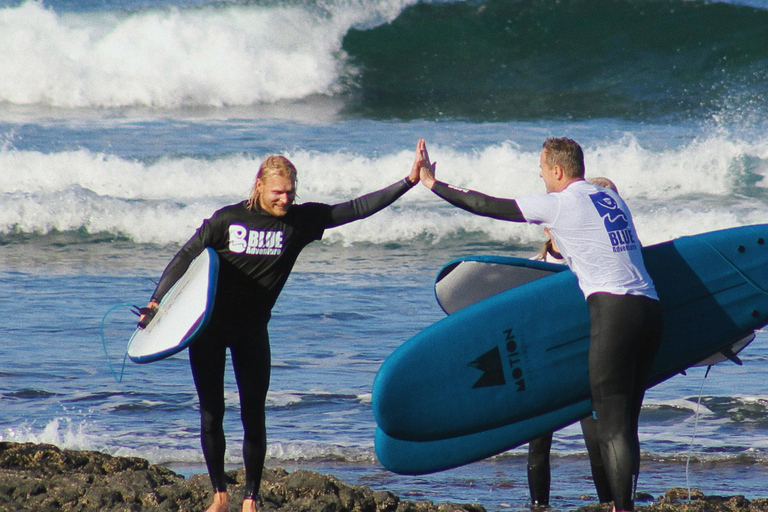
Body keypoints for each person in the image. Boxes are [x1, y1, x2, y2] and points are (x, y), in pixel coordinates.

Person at [139, 154, 421, 512]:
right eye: (277, 192)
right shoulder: (227, 220)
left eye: (289, 192)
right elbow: (186, 256)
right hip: (207, 330)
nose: (284, 200)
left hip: (251, 332)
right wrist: (156, 301)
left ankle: (251, 498)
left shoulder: (299, 222)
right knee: (211, 414)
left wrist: (408, 182)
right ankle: (219, 495)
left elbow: (357, 208)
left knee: (253, 414)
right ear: (259, 186)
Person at [416, 138, 662, 512]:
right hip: (651, 310)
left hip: (614, 314)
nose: (541, 176)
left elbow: (486, 205)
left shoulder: (560, 203)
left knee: (611, 425)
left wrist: (433, 183)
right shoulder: (612, 199)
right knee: (625, 424)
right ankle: (620, 503)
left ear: (558, 171)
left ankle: (622, 509)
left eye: (543, 169)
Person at [527, 177, 618, 509]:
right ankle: (539, 505)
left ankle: (609, 502)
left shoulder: (591, 265)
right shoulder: (530, 269)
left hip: (585, 361)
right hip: (546, 366)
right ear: (548, 230)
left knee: (595, 440)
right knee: (538, 442)